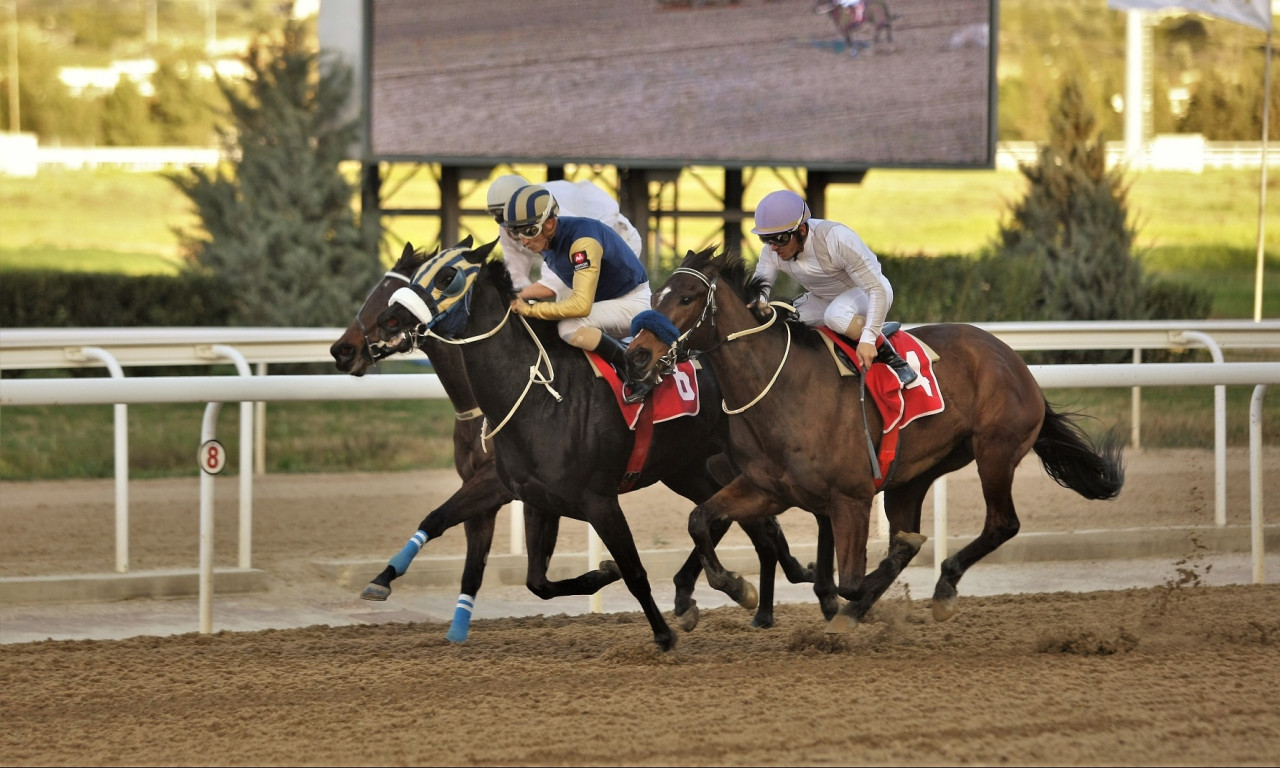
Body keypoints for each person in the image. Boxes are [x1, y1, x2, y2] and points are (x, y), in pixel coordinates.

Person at [750, 188, 917, 386]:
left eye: (780, 239)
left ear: (802, 230)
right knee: (784, 319)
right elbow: (759, 290)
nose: (773, 247)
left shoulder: (836, 238)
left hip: (868, 293)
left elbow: (877, 289)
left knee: (835, 316)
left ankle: (893, 359)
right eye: (766, 239)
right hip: (823, 298)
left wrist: (868, 338)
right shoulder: (772, 251)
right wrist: (758, 306)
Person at [501, 183, 652, 384]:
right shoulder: (550, 240)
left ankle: (634, 371)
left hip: (632, 302)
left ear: (549, 223)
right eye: (517, 233)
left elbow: (581, 305)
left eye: (528, 231)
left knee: (568, 327)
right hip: (608, 302)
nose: (524, 242)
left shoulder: (582, 241)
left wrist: (530, 309)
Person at [485, 174, 643, 301]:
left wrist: (516, 299)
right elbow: (516, 279)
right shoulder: (507, 230)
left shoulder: (551, 217)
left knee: (582, 307)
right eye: (499, 218)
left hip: (618, 239)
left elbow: (552, 285)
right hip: (582, 247)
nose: (507, 227)